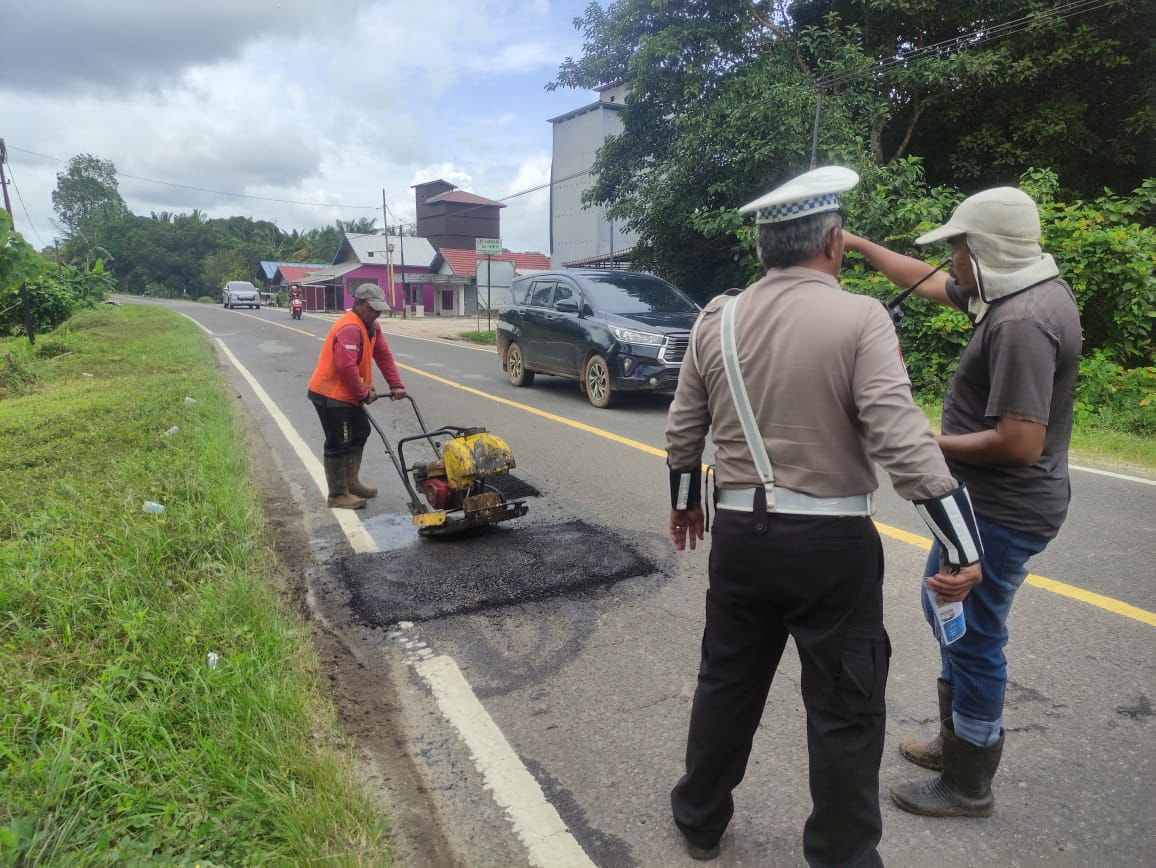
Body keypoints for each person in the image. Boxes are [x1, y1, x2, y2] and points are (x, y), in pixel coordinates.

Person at [666, 166, 985, 865]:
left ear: (763, 248)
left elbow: (684, 425)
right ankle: (841, 855)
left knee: (727, 679)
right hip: (830, 544)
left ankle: (699, 818)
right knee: (845, 706)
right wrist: (961, 545)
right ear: (833, 242)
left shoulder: (715, 317)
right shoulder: (860, 316)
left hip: (741, 536)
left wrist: (687, 505)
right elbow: (900, 440)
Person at [842, 186, 1081, 818]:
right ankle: (957, 743)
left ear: (982, 248)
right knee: (945, 609)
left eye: (955, 247)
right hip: (990, 503)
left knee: (972, 631)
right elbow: (919, 281)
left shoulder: (1023, 322)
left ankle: (969, 777)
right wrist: (861, 247)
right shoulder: (1014, 290)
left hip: (1007, 506)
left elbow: (1020, 442)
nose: (949, 259)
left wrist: (926, 439)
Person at [307, 283, 407, 509]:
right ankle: (337, 494)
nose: (377, 313)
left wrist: (396, 384)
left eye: (379, 309)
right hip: (330, 395)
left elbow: (384, 355)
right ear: (358, 304)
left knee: (361, 430)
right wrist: (362, 393)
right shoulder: (349, 328)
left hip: (348, 394)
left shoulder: (372, 326)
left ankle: (351, 483)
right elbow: (345, 366)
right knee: (338, 441)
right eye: (372, 309)